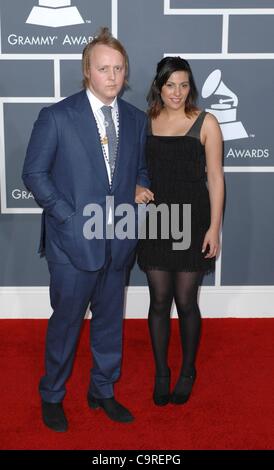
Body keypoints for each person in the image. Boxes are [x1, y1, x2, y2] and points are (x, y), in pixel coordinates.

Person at [22, 27, 153, 432]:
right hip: (72, 243)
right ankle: (52, 395)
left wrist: (139, 185)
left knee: (111, 323)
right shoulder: (57, 116)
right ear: (87, 71)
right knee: (66, 324)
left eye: (118, 68)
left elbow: (139, 169)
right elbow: (34, 173)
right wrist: (69, 217)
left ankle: (103, 390)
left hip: (119, 240)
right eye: (103, 69)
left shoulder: (134, 120)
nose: (112, 76)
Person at [137, 57, 224, 406]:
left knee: (186, 301)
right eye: (171, 84)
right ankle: (162, 372)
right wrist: (132, 189)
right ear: (159, 85)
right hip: (157, 219)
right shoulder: (144, 122)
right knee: (159, 300)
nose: (178, 92)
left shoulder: (206, 122)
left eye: (184, 84)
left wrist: (214, 228)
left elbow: (216, 178)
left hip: (193, 220)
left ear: (191, 87)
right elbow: (131, 167)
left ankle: (188, 371)